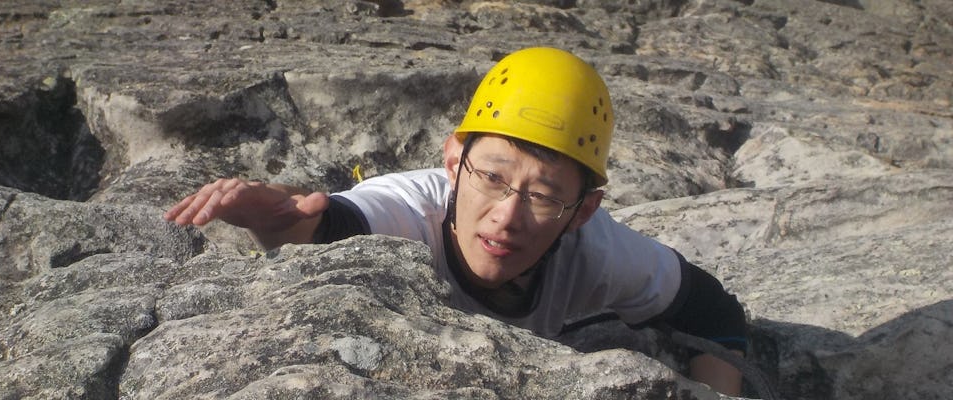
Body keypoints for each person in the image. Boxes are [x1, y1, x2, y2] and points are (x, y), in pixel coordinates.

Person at [164, 47, 747, 395]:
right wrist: (275, 219)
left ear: (582, 211)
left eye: (543, 195)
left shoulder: (598, 250)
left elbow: (714, 313)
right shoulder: (410, 210)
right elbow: (328, 225)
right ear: (453, 162)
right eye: (492, 177)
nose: (507, 216)